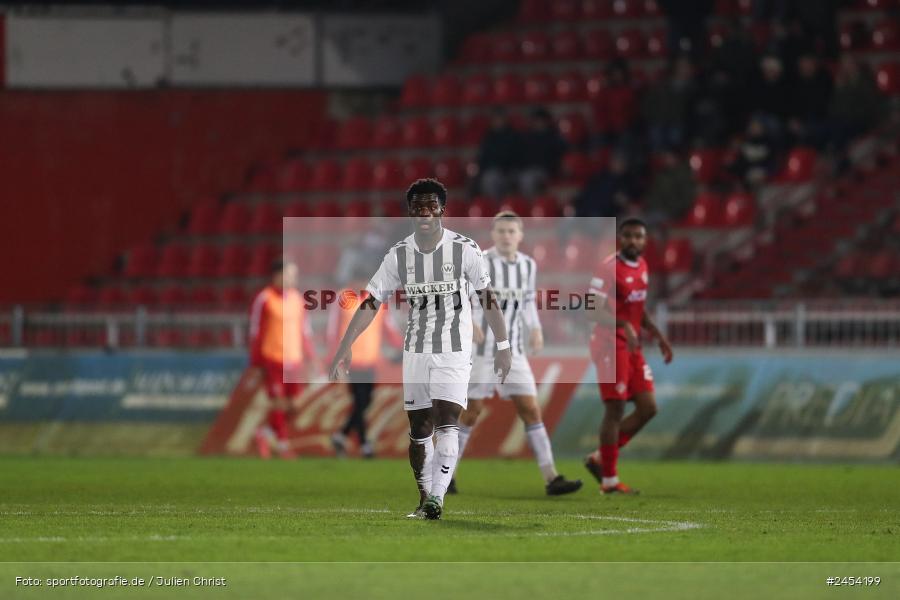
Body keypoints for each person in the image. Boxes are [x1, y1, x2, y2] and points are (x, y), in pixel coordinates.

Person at [329, 178, 512, 520]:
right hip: (416, 350)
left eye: (431, 205)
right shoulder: (399, 254)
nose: (425, 212)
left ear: (442, 209)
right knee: (419, 429)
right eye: (418, 206)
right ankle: (424, 495)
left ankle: (437, 498)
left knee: (447, 421)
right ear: (410, 211)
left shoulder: (465, 249)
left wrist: (503, 345)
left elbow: (488, 298)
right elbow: (371, 301)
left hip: (455, 349)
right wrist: (345, 345)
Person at [452, 211, 582, 496]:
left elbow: (527, 302)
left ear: (520, 236)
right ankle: (446, 474)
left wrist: (535, 329)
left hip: (516, 351)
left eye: (512, 231)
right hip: (483, 352)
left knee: (531, 409)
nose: (507, 236)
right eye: (501, 231)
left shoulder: (527, 265)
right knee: (471, 412)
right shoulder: (480, 262)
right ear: (493, 234)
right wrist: (469, 321)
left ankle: (551, 477)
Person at [584, 218, 674, 494]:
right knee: (616, 409)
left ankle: (600, 457)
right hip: (610, 343)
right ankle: (609, 480)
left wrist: (656, 333)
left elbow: (637, 307)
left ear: (645, 241)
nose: (634, 241)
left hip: (632, 346)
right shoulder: (609, 268)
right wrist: (623, 325)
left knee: (648, 408)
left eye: (639, 236)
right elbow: (591, 308)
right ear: (619, 239)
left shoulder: (643, 266)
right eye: (628, 236)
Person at [327, 270, 404, 458]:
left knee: (364, 402)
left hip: (370, 361)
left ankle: (343, 436)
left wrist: (402, 346)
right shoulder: (343, 299)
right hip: (351, 362)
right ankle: (364, 445)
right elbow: (333, 331)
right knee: (361, 401)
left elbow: (388, 327)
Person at [249, 259, 318, 459]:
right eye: (289, 274)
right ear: (277, 275)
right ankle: (282, 443)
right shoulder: (265, 298)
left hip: (294, 360)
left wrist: (312, 358)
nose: (293, 278)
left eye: (294, 275)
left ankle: (265, 433)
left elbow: (305, 331)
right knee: (278, 402)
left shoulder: (298, 299)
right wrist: (256, 362)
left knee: (294, 405)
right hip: (273, 358)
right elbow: (256, 331)